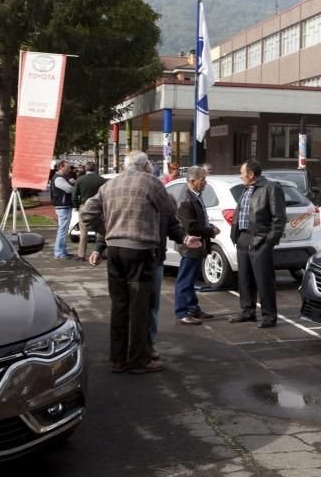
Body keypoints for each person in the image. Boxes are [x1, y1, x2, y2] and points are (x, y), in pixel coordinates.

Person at [81, 150, 201, 374]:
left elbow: (88, 212)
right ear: (145, 165)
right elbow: (169, 209)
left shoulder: (109, 185)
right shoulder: (150, 182)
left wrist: (107, 231)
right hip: (140, 250)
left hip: (115, 251)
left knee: (119, 306)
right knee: (140, 307)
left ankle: (118, 359)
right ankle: (139, 360)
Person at [91, 192, 188, 362]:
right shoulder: (125, 198)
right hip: (132, 258)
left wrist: (185, 238)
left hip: (153, 259)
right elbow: (108, 223)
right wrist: (98, 247)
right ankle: (132, 354)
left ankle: (145, 346)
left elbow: (172, 225)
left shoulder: (159, 199)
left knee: (148, 306)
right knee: (128, 306)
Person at [228, 158, 286, 328]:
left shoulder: (270, 188)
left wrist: (269, 242)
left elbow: (279, 218)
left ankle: (269, 316)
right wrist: (237, 236)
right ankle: (247, 312)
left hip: (260, 240)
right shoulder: (247, 189)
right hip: (243, 238)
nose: (241, 177)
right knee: (244, 279)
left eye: (242, 174)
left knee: (264, 280)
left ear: (251, 174)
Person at [174, 166, 220, 325]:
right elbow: (191, 227)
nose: (205, 183)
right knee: (185, 280)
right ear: (193, 181)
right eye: (203, 180)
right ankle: (182, 312)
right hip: (190, 246)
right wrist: (211, 231)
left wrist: (209, 227)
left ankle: (193, 309)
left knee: (191, 278)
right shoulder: (186, 200)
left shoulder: (194, 196)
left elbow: (198, 220)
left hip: (196, 244)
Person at [72, 161, 106, 260]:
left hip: (84, 205)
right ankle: (100, 252)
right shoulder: (101, 180)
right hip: (99, 206)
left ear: (86, 169)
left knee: (83, 232)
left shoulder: (80, 180)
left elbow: (74, 195)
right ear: (95, 169)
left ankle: (81, 255)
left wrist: (76, 206)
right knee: (100, 230)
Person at [50, 160, 74, 260]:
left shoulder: (61, 178)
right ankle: (59, 253)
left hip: (64, 206)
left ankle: (62, 251)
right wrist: (73, 185)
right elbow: (69, 189)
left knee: (63, 230)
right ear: (61, 167)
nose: (69, 170)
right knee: (62, 230)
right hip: (62, 206)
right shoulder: (59, 179)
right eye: (67, 168)